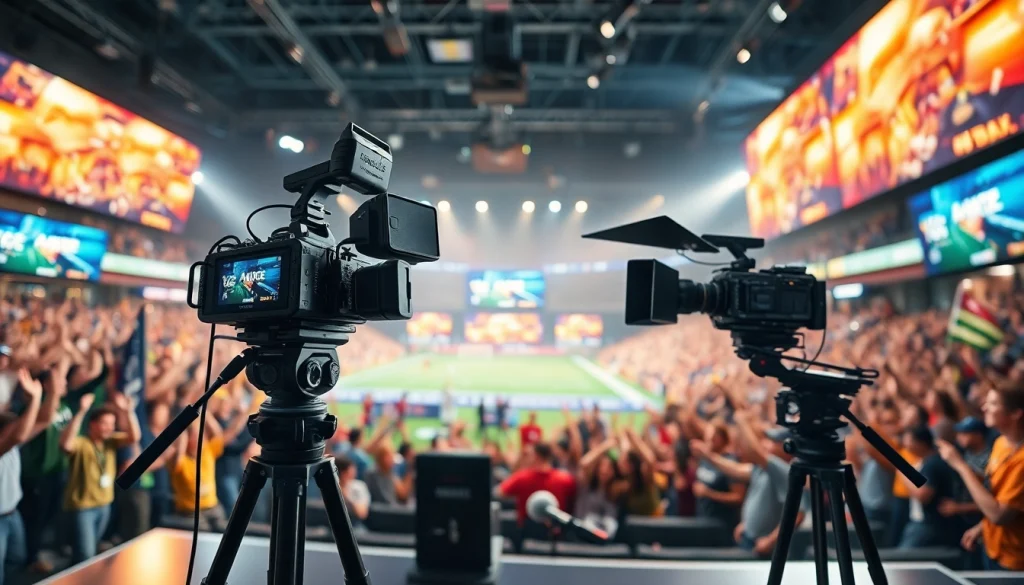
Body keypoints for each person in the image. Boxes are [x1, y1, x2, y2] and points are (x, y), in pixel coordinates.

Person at [938, 387, 1024, 571]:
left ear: (1016, 413)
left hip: (1014, 560)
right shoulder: (1001, 443)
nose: (984, 407)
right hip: (993, 549)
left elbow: (998, 514)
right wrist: (982, 526)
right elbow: (994, 492)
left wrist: (960, 465)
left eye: (993, 403)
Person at [60, 392, 141, 563]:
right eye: (105, 424)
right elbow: (66, 444)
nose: (109, 428)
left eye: (112, 424)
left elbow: (135, 437)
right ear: (93, 424)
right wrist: (81, 412)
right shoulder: (82, 443)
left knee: (89, 551)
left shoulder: (110, 441)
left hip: (104, 505)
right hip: (83, 508)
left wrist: (128, 411)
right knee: (86, 554)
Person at [169, 400, 248, 531]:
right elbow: (176, 459)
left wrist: (205, 412)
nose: (200, 437)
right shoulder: (179, 460)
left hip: (213, 508)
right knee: (202, 532)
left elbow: (219, 434)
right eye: (195, 435)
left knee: (228, 530)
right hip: (190, 513)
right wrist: (182, 431)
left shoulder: (207, 452)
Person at [0, 370, 44, 585]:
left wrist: (48, 392)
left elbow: (45, 420)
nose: (18, 429)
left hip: (12, 514)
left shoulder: (12, 446)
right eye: (11, 427)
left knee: (17, 558)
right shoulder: (4, 446)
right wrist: (35, 399)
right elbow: (18, 434)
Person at [897, 426, 959, 548]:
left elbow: (923, 495)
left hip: (928, 525)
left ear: (921, 443)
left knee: (903, 561)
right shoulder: (927, 461)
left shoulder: (932, 464)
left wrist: (903, 474)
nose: (905, 444)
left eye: (909, 440)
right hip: (924, 523)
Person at [499, 442, 576, 525]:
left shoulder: (521, 477)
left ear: (536, 456)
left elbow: (500, 492)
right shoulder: (565, 479)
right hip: (557, 533)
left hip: (527, 532)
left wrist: (520, 462)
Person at [691, 421, 745, 530]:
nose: (709, 441)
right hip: (703, 519)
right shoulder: (705, 458)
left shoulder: (730, 464)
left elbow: (738, 497)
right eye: (707, 436)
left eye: (713, 437)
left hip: (721, 525)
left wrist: (710, 494)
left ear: (722, 439)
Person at [336, 455, 370, 531]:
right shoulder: (329, 487)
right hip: (332, 525)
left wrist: (344, 494)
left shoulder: (359, 487)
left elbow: (362, 513)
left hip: (355, 526)